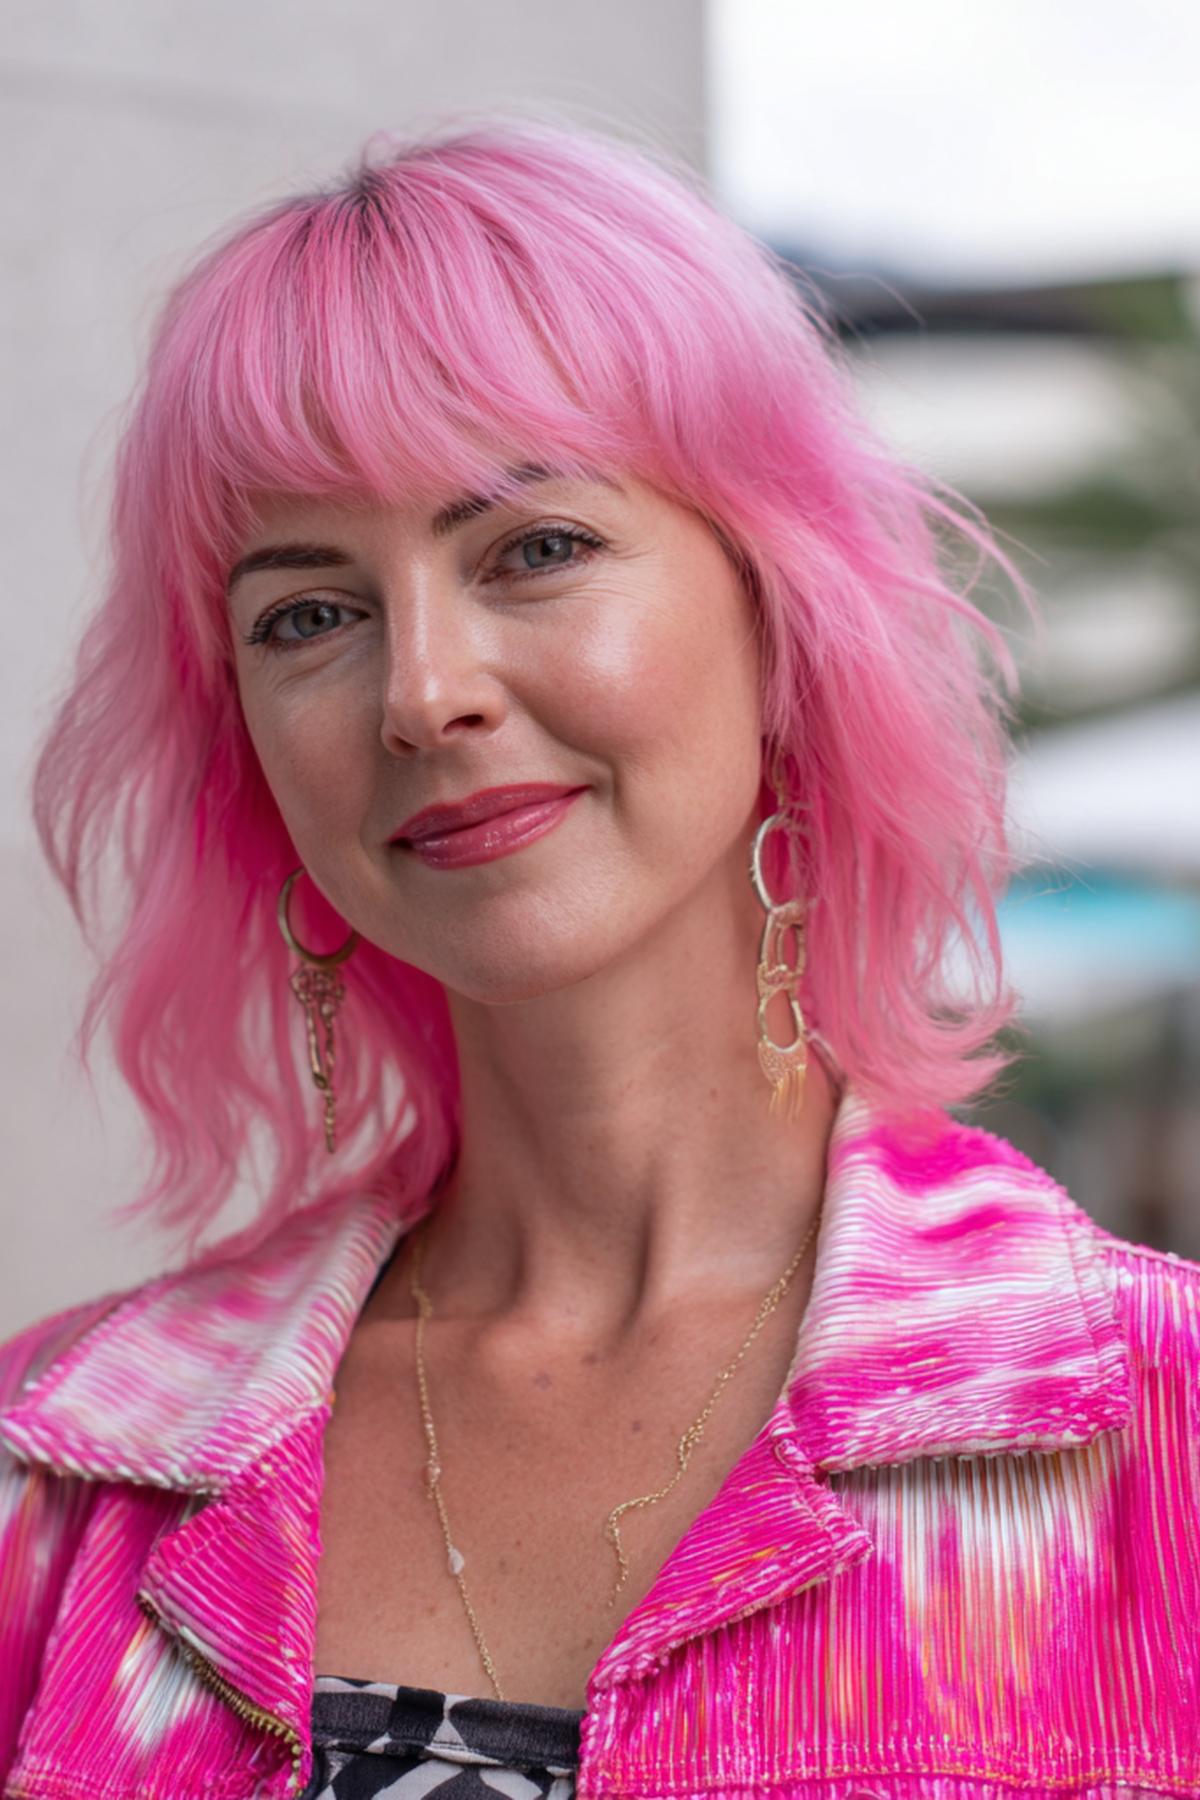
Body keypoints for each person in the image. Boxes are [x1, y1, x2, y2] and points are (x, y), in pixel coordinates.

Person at [2, 113, 1198, 1800]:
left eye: (535, 549)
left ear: (782, 612)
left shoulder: (1151, 1436)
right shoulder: (61, 1480)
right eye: (309, 612)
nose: (422, 689)